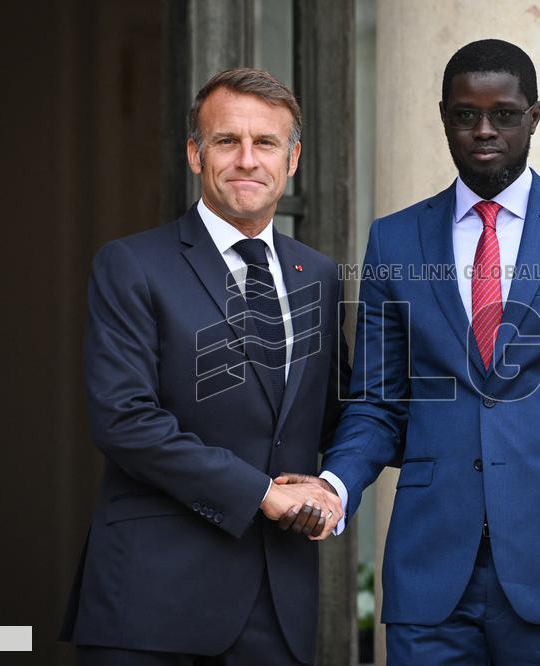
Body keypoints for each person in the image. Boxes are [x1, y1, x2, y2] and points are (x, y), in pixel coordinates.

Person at [284, 38, 540, 664]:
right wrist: (334, 485)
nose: (483, 130)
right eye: (465, 115)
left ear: (534, 116)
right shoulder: (395, 238)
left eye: (504, 114)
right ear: (444, 117)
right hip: (432, 573)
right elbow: (379, 404)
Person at [58, 67, 348, 666]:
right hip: (150, 604)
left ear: (292, 161)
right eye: (226, 141)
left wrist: (336, 487)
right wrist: (259, 493)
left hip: (279, 603)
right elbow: (124, 420)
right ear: (195, 154)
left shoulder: (317, 275)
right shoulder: (131, 265)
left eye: (265, 143)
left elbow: (333, 420)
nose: (247, 159)